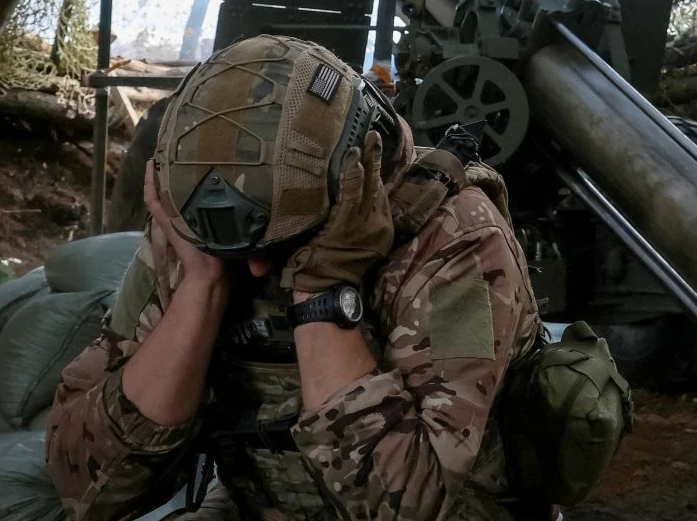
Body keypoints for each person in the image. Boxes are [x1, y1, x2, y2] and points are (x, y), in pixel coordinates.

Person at [47, 34, 542, 521]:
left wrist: (322, 292)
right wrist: (202, 285)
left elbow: (409, 509)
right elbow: (87, 489)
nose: (257, 270)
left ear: (355, 180)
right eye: (241, 251)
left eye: (282, 245)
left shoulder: (456, 236)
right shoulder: (199, 230)